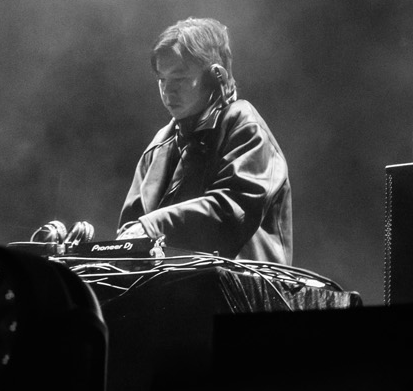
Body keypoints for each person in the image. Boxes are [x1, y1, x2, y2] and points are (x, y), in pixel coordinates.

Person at [116, 17, 291, 262]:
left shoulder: (244, 125)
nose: (167, 90)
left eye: (179, 78)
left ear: (215, 77)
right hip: (173, 282)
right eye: (162, 79)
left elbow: (232, 210)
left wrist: (152, 227)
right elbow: (130, 232)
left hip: (236, 284)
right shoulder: (158, 146)